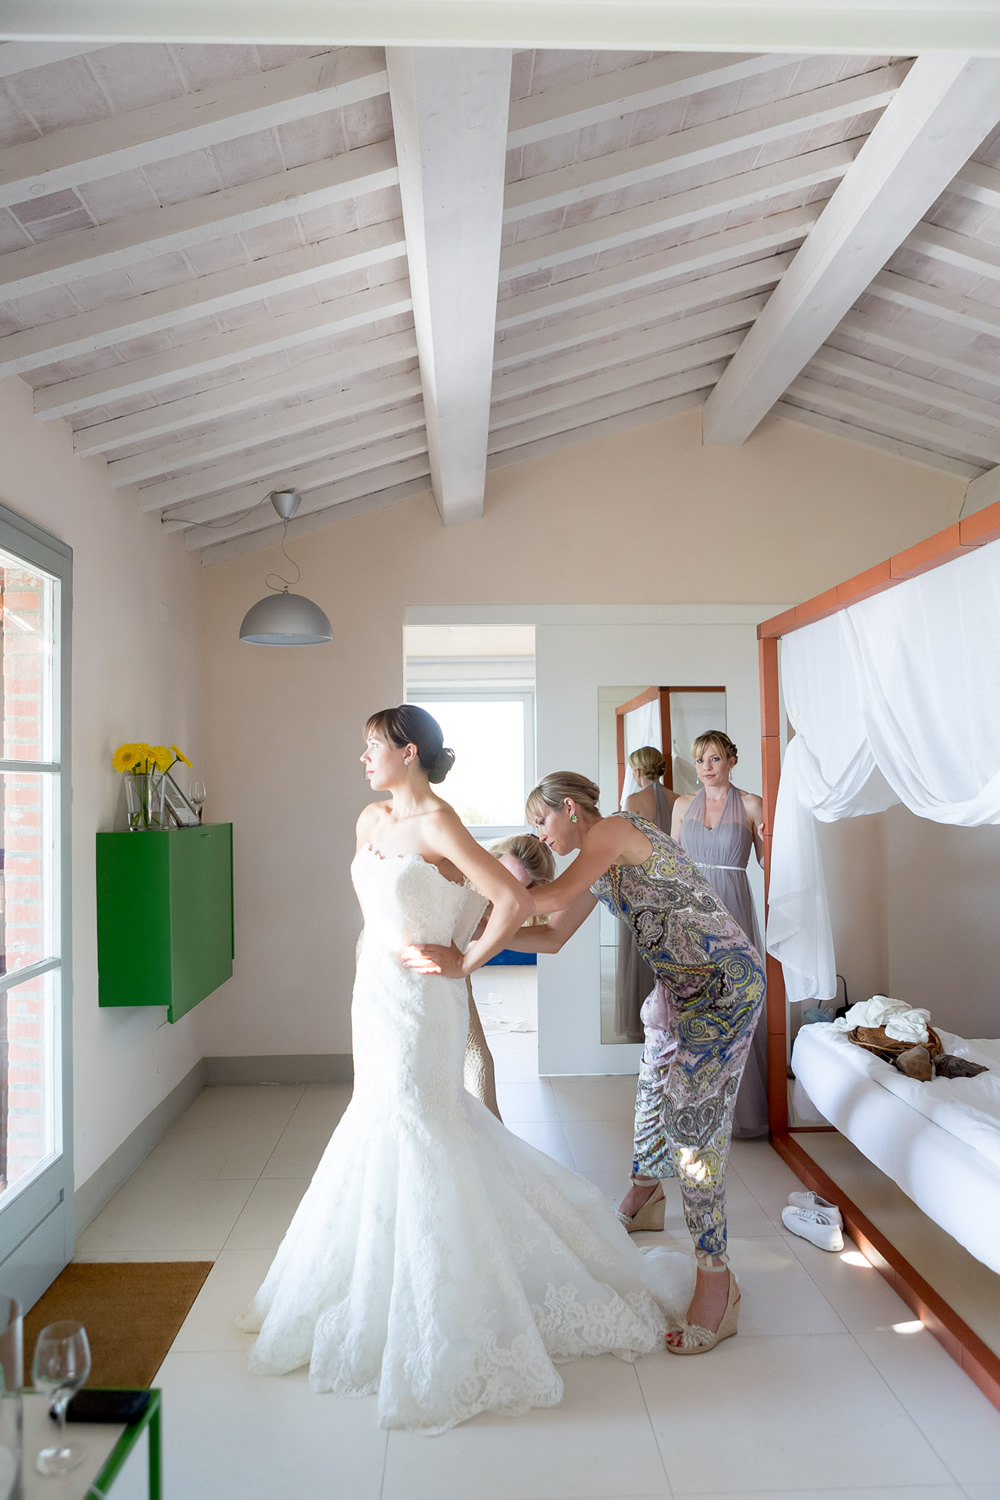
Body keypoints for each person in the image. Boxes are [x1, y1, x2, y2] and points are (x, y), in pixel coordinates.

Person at [239, 707, 688, 1432]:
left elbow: (511, 899)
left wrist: (465, 962)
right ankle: (374, 1286)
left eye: (372, 747)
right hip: (374, 995)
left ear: (408, 752)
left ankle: (447, 1300)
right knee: (379, 1125)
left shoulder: (443, 825)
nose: (362, 758)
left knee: (426, 1129)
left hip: (424, 1000)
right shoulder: (367, 822)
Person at [511, 771, 765, 1355]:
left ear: (569, 809)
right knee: (653, 1087)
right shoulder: (599, 870)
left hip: (724, 988)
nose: (540, 835)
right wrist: (481, 936)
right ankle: (646, 1196)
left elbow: (545, 899)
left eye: (541, 821)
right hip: (679, 991)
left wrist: (476, 901)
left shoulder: (615, 829)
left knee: (692, 1127)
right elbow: (550, 935)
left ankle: (717, 1280)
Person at [670, 731, 768, 1138]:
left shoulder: (750, 804)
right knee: (695, 1006)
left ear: (731, 760)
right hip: (692, 912)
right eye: (700, 760)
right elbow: (674, 862)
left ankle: (741, 1111)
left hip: (733, 908)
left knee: (735, 1003)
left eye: (714, 758)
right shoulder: (680, 805)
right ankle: (695, 1108)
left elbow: (770, 863)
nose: (707, 767)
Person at [463, 833, 555, 1120]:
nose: (503, 888)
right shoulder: (462, 872)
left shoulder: (503, 907)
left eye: (516, 886)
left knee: (478, 1060)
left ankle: (490, 1141)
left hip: (455, 971)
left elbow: (552, 940)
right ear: (493, 858)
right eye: (502, 874)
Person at [615, 747, 676, 1042]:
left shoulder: (633, 801)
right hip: (670, 885)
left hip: (641, 883)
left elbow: (625, 845)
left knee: (640, 949)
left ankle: (640, 1021)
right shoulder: (678, 799)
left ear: (637, 771)